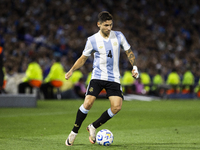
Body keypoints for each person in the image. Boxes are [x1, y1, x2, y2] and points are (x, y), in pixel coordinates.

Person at [64, 11, 139, 146]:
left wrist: (134, 66)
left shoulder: (119, 36)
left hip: (114, 78)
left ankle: (93, 126)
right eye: (106, 25)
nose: (109, 28)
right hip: (98, 76)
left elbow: (129, 51)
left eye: (111, 25)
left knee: (117, 107)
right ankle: (74, 132)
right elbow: (83, 58)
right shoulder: (92, 40)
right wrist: (71, 70)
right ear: (98, 24)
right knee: (88, 103)